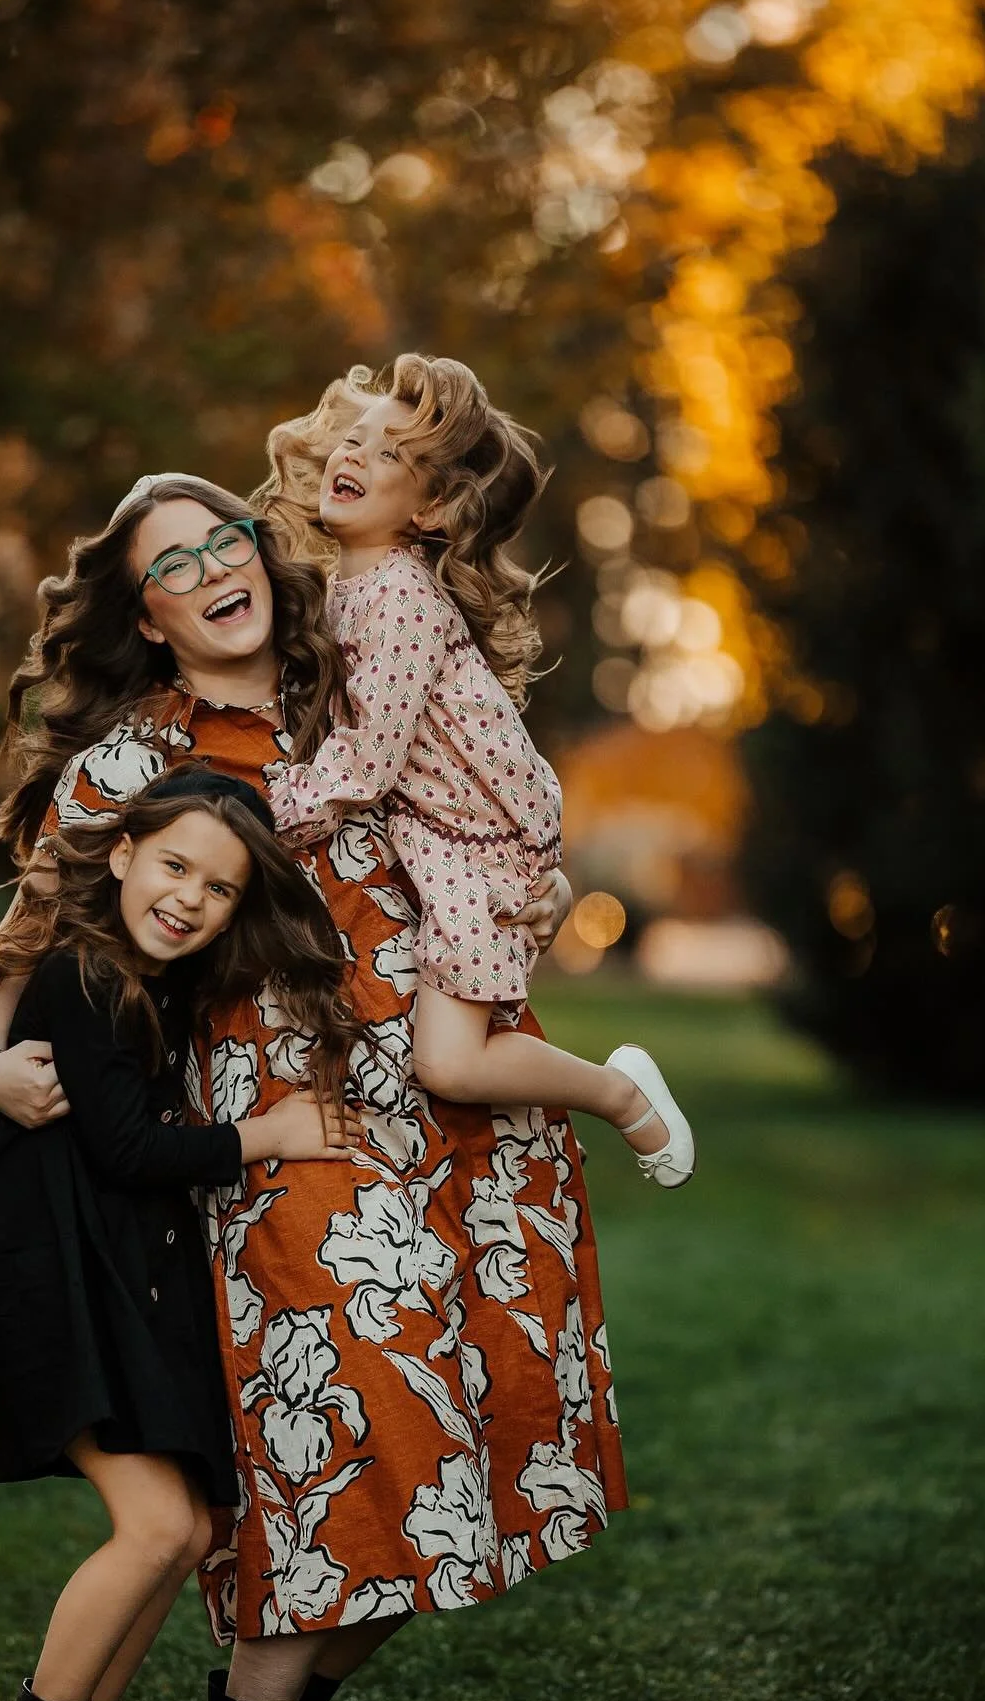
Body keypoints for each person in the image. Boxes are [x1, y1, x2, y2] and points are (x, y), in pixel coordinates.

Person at [0, 471, 628, 1701]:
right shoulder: (132, 766)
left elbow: (496, 837)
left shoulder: (371, 682)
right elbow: (17, 962)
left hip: (466, 1118)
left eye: (227, 537)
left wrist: (529, 893)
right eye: (174, 563)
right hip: (295, 1142)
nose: (217, 566)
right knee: (363, 1449)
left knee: (492, 1450)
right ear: (144, 618)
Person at [0, 765, 359, 1701]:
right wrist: (269, 1136)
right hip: (51, 1276)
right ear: (124, 854)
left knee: (187, 1528)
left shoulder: (150, 977)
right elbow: (127, 1149)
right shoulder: (88, 974)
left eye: (220, 888)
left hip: (108, 1272)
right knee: (155, 1525)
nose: (189, 898)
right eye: (174, 865)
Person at [261, 353, 695, 1188]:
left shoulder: (399, 599)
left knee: (452, 1065)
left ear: (427, 508)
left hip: (480, 847)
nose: (354, 455)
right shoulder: (346, 587)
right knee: (450, 1057)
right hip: (444, 834)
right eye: (355, 439)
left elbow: (364, 765)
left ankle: (617, 1091)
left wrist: (260, 806)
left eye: (390, 453)